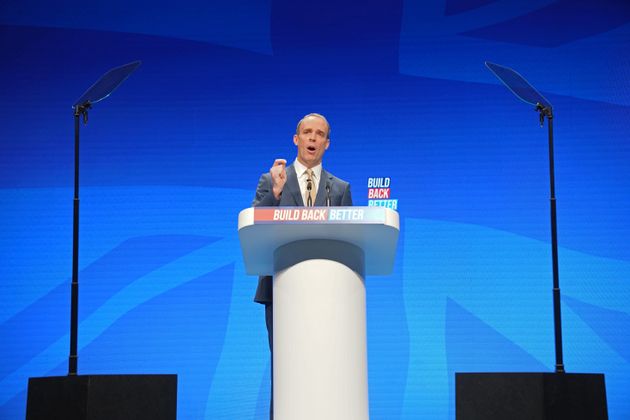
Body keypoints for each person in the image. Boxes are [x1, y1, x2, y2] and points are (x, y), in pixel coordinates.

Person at [251, 113, 352, 419]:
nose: (312, 138)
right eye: (306, 132)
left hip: (328, 296)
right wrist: (277, 194)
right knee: (286, 372)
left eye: (319, 134)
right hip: (281, 293)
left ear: (327, 143)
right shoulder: (272, 181)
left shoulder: (340, 189)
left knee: (326, 370)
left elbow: (349, 242)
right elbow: (256, 227)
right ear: (296, 139)